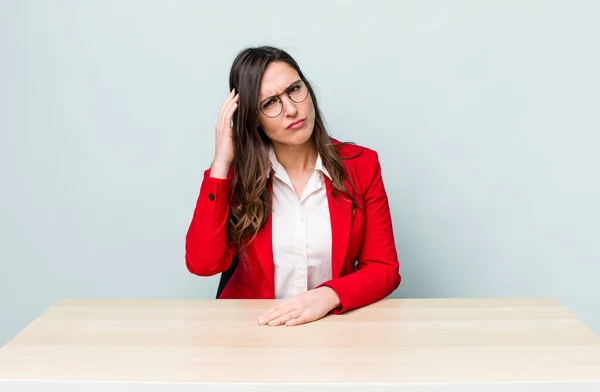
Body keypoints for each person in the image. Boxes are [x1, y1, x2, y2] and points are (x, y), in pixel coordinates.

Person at [185, 46, 400, 327]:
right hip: (253, 333)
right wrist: (221, 163)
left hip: (333, 328)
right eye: (270, 103)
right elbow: (203, 264)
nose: (291, 109)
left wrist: (328, 296)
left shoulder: (362, 165)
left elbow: (385, 269)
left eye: (294, 89)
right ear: (253, 119)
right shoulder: (238, 179)